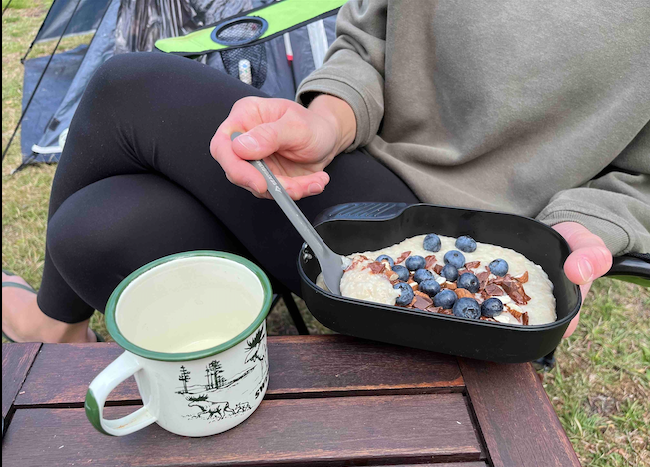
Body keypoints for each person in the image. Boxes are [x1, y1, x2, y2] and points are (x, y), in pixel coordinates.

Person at [3, 0, 649, 343]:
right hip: (354, 171)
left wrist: (585, 225)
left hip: (487, 245)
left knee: (125, 87)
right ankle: (60, 328)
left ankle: (49, 326)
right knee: (91, 231)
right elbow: (365, 45)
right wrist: (325, 123)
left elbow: (638, 181)